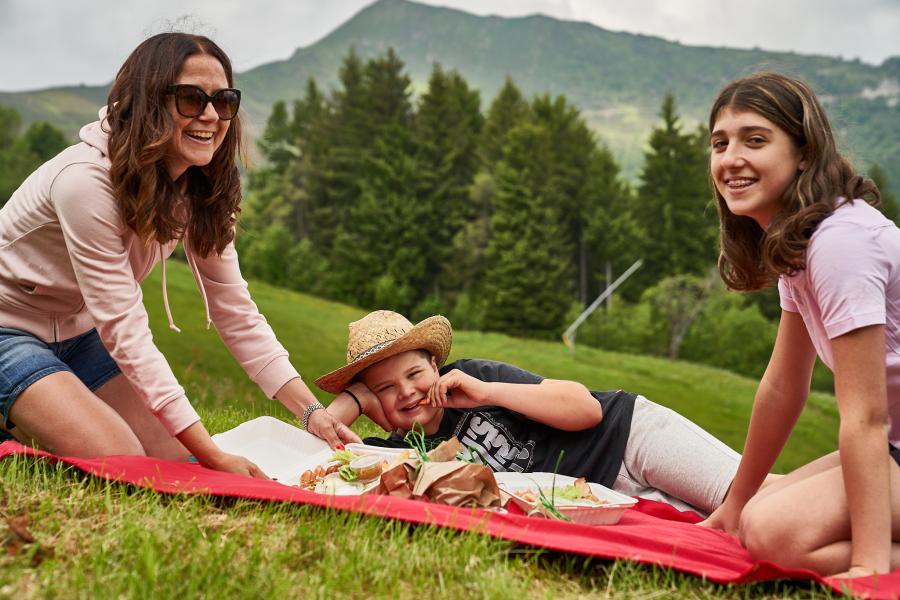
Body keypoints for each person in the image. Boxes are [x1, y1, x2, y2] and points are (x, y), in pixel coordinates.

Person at [0, 33, 357, 477]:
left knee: (169, 460)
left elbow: (235, 311)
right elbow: (126, 331)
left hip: (77, 332)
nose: (211, 115)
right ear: (147, 102)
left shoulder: (201, 186)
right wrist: (214, 456)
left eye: (223, 100)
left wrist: (311, 413)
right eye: (190, 98)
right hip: (6, 330)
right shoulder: (84, 182)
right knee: (122, 460)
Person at [698, 72, 900, 578]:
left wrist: (868, 565)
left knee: (774, 532)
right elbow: (784, 386)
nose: (731, 159)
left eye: (756, 140)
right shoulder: (802, 240)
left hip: (886, 437)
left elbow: (865, 418)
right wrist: (732, 504)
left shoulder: (841, 242)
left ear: (805, 153)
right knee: (756, 513)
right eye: (720, 143)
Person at [315, 310, 753, 516]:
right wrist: (354, 400)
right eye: (386, 389)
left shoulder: (474, 377)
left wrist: (489, 392)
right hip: (600, 497)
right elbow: (321, 450)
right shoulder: (397, 459)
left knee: (749, 494)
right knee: (749, 522)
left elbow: (586, 410)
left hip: (628, 437)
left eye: (414, 373)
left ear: (435, 364)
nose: (407, 392)